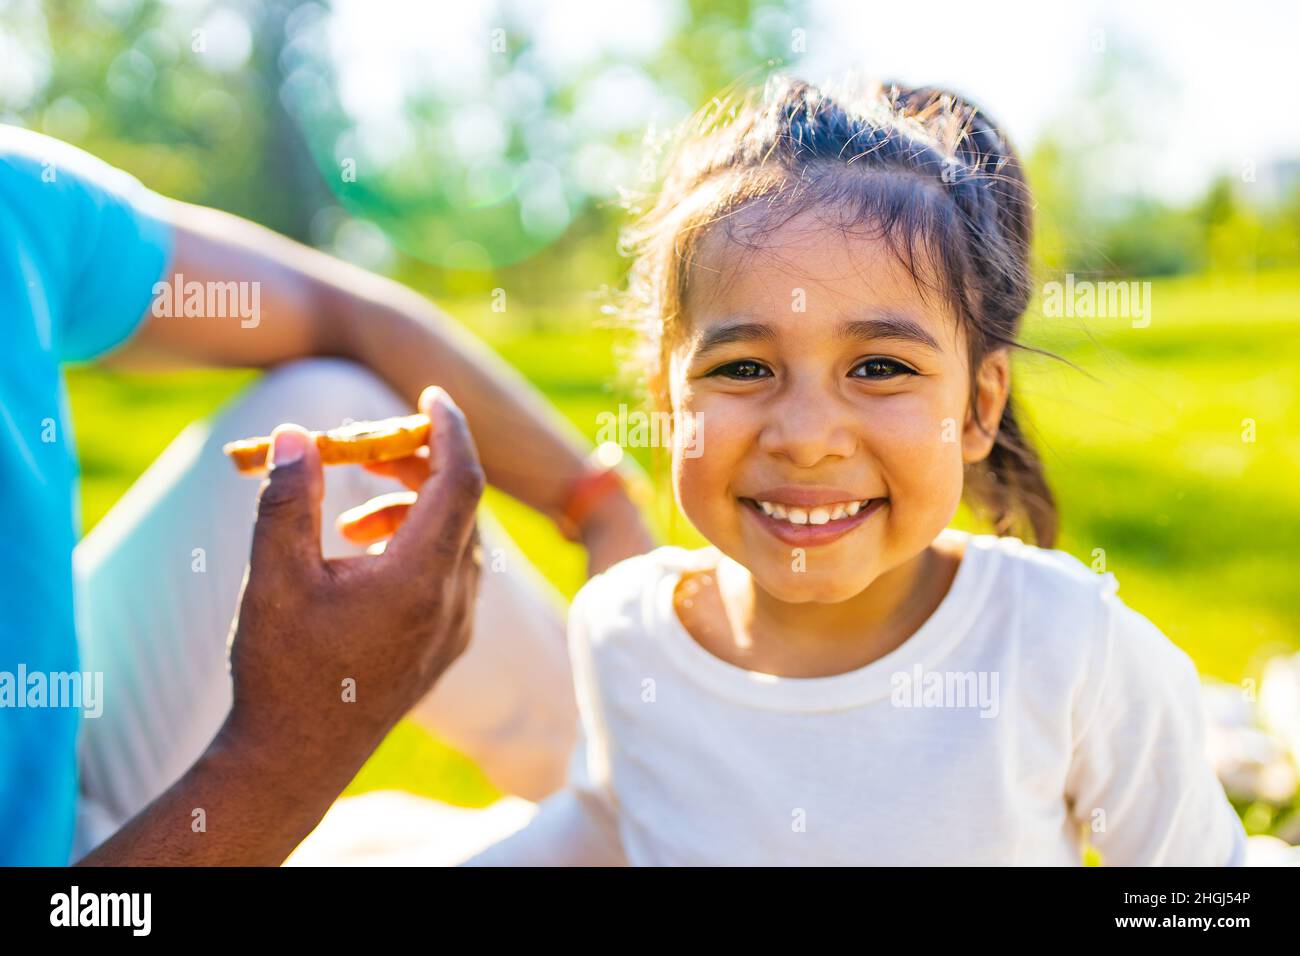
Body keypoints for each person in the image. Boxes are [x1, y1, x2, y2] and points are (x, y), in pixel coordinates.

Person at [460, 76, 1249, 866]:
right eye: (741, 370)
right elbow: (609, 823)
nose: (805, 438)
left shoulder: (1063, 645)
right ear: (667, 407)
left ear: (977, 409)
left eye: (877, 366)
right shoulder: (624, 636)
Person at [0, 124, 652, 866]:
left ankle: (646, 789)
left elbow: (336, 311)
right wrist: (284, 757)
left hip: (55, 757)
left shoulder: (14, 199)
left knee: (328, 405)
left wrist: (598, 503)